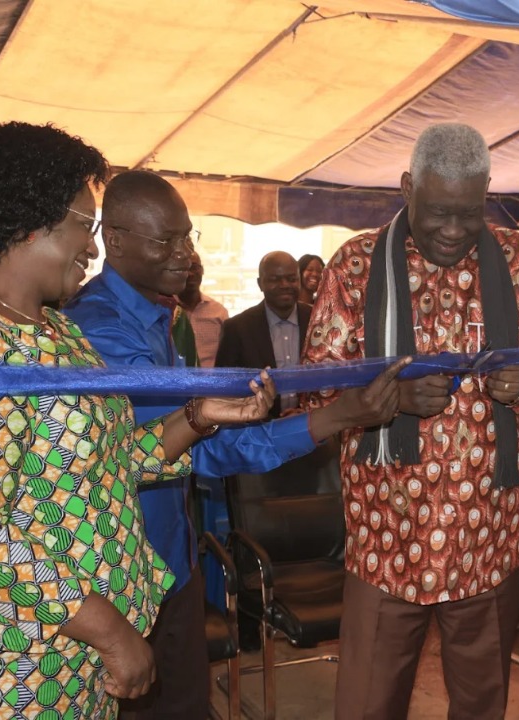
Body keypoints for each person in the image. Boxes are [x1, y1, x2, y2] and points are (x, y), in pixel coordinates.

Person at [0, 121, 289, 719]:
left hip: (69, 663)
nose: (92, 245)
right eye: (84, 224)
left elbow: (104, 465)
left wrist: (196, 417)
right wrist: (108, 629)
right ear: (25, 222)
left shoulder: (56, 331)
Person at [65, 169, 406, 719]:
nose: (185, 255)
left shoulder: (155, 316)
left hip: (174, 561)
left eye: (188, 237)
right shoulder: (100, 331)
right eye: (166, 241)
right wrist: (334, 417)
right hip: (124, 577)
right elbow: (198, 450)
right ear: (115, 240)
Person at [303, 123, 519, 720]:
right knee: (367, 704)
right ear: (407, 189)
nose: (453, 231)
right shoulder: (355, 265)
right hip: (386, 534)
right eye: (439, 213)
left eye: (469, 214)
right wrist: (388, 396)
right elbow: (316, 387)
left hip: (489, 536)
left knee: (481, 704)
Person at [217, 251, 311, 418]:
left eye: (291, 279)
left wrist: (309, 411)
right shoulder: (237, 328)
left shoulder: (318, 320)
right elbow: (224, 389)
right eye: (275, 279)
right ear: (260, 284)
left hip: (313, 428)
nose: (284, 285)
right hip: (258, 431)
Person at [177, 250, 228, 368]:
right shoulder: (167, 310)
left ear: (202, 270)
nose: (190, 274)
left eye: (194, 267)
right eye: (185, 268)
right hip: (175, 383)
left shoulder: (219, 312)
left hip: (211, 384)